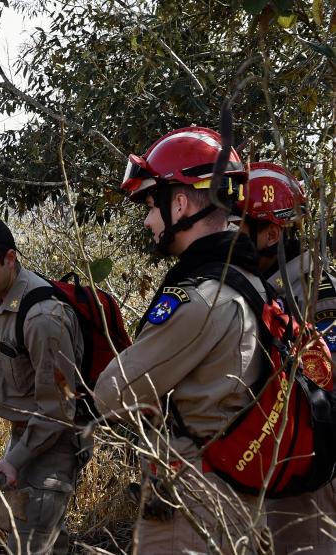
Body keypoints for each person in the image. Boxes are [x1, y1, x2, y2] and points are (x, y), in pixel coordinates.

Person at [93, 127, 269, 553]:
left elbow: (112, 395)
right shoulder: (251, 281)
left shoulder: (199, 299)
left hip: (191, 501)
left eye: (153, 205)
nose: (150, 220)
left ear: (180, 202)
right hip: (238, 489)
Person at [0, 214, 85, 554]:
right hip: (27, 436)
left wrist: (15, 459)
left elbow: (59, 409)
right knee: (45, 539)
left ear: (10, 259)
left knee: (27, 544)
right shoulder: (0, 294)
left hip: (54, 442)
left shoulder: (43, 317)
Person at [234, 162, 336, 554]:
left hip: (310, 473)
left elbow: (323, 388)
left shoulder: (312, 294)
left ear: (271, 233)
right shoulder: (276, 289)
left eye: (240, 230)